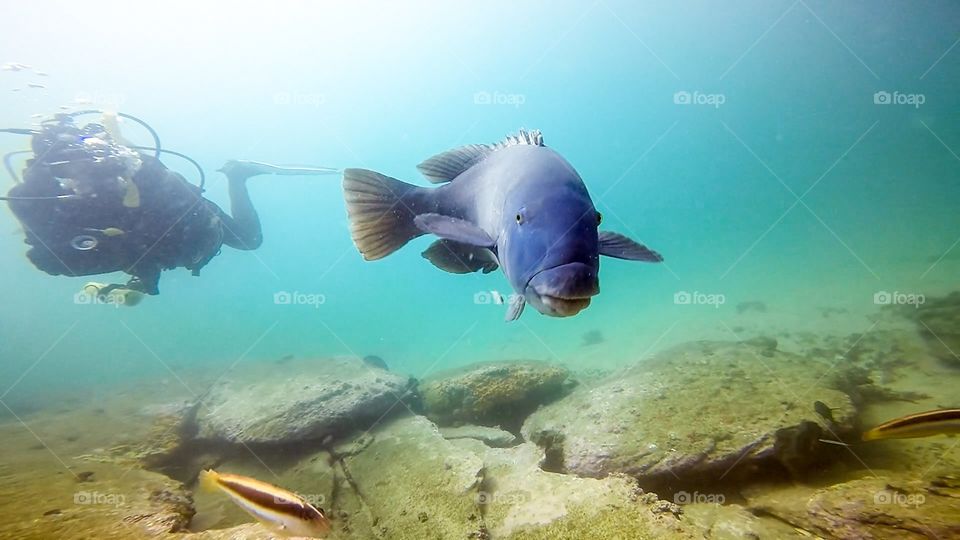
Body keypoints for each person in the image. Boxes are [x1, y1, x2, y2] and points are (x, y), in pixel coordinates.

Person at [2, 111, 336, 303]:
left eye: (82, 167)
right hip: (182, 236)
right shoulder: (66, 205)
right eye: (64, 172)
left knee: (249, 240)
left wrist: (141, 274)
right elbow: (50, 258)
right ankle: (238, 175)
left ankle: (238, 176)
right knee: (247, 240)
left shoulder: (130, 174)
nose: (78, 179)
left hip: (196, 225)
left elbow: (144, 237)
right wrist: (35, 183)